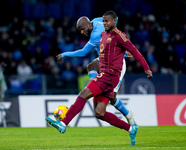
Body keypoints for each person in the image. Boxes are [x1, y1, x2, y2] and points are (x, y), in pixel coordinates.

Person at [46, 11, 153, 146]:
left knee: (84, 94)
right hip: (105, 68)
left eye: (82, 29)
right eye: (104, 21)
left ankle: (63, 123)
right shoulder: (101, 29)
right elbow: (114, 21)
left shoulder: (102, 35)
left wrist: (146, 68)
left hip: (110, 74)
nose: (104, 23)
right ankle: (131, 128)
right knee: (99, 113)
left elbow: (84, 52)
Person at [56, 15, 135, 125]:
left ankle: (127, 114)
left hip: (117, 64)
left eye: (82, 29)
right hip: (104, 61)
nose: (82, 32)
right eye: (80, 30)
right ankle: (97, 88)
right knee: (91, 66)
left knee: (112, 98)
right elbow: (116, 18)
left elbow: (83, 52)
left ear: (89, 25)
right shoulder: (96, 21)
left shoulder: (95, 36)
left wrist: (64, 54)